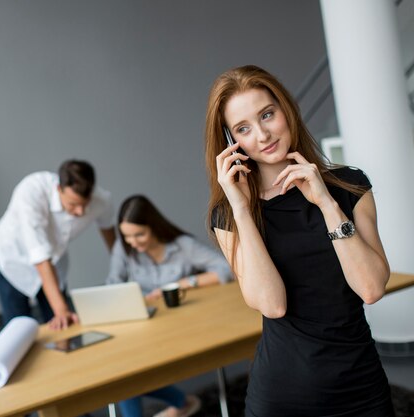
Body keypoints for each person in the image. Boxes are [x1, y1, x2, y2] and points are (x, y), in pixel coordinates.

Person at [205, 65, 394, 416]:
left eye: (267, 115)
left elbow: (371, 288)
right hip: (283, 394)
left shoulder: (349, 186)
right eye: (243, 128)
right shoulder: (230, 215)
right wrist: (242, 209)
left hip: (361, 387)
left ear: (285, 110)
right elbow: (272, 305)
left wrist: (326, 203)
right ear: (232, 142)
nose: (262, 135)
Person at [107, 195, 231, 417]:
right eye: (127, 237)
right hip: (146, 331)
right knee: (123, 376)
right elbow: (113, 286)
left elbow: (227, 269)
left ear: (154, 227)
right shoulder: (124, 248)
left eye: (139, 234)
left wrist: (183, 283)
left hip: (183, 330)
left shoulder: (183, 246)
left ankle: (182, 402)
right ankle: (182, 402)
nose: (133, 242)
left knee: (126, 378)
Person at [0, 159, 115, 330]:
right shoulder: (32, 191)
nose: (80, 212)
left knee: (64, 325)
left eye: (85, 204)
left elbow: (110, 236)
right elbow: (41, 259)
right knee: (19, 328)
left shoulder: (101, 200)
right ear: (59, 188)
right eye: (73, 204)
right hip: (13, 260)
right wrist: (61, 310)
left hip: (54, 263)